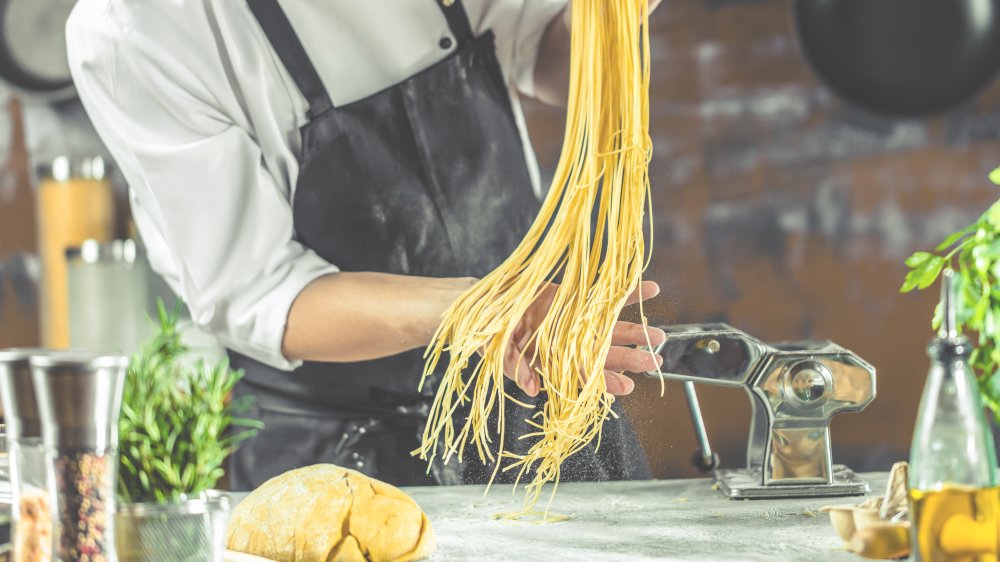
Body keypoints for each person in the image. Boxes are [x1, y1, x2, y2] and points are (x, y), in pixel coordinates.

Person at [67, 0, 665, 490]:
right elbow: (263, 293)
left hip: (537, 395)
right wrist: (477, 311)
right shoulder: (137, 29)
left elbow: (551, 56)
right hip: (340, 463)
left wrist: (619, 12)